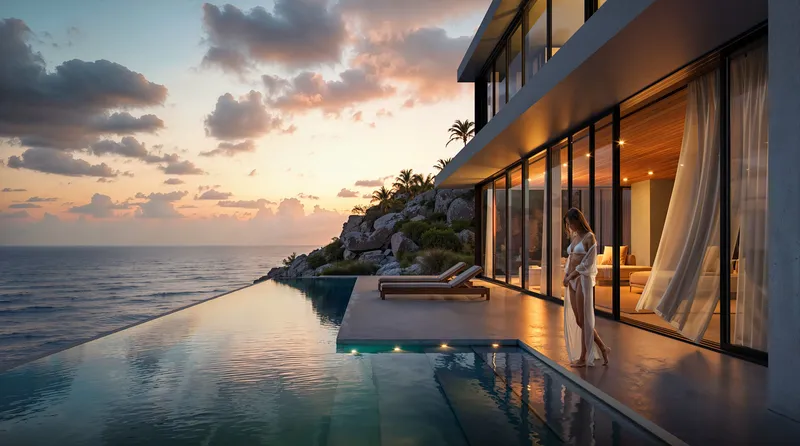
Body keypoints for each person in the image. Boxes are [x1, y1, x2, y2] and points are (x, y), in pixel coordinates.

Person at [562, 208, 611, 367]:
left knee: (584, 319)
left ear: (578, 220)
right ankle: (603, 347)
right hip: (572, 280)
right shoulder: (575, 237)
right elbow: (571, 258)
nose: (570, 227)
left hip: (582, 280)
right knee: (579, 320)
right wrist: (566, 275)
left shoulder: (590, 238)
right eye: (568, 224)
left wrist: (571, 276)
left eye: (571, 223)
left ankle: (583, 357)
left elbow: (588, 263)